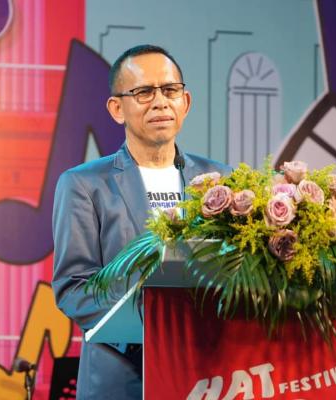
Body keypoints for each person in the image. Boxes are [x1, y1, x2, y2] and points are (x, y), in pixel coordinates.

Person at [52, 44, 231, 399]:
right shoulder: (84, 184)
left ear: (185, 102)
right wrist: (158, 320)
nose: (160, 102)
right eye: (144, 92)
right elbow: (73, 287)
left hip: (207, 374)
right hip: (123, 378)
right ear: (117, 108)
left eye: (170, 90)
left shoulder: (220, 179)